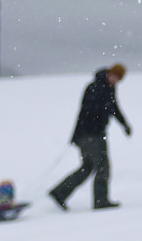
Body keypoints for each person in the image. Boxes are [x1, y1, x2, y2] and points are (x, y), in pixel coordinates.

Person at [51, 65, 131, 210]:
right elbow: (86, 112)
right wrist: (83, 133)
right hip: (90, 134)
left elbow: (114, 108)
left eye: (118, 79)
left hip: (91, 134)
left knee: (88, 166)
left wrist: (124, 124)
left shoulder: (108, 88)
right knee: (102, 166)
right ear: (109, 73)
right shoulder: (95, 87)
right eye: (115, 77)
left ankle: (60, 192)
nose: (115, 81)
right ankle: (100, 200)